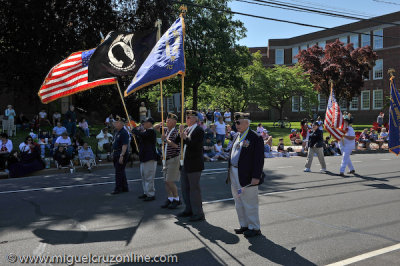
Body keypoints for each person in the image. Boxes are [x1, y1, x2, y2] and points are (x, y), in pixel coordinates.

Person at [227, 112, 264, 237]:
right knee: (238, 201)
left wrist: (256, 176)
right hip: (234, 172)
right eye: (235, 122)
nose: (236, 125)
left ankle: (254, 227)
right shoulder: (237, 135)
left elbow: (259, 160)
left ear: (247, 122)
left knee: (250, 202)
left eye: (238, 122)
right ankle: (244, 225)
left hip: (247, 175)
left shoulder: (255, 137)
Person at [177, 110, 205, 222]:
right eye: (187, 117)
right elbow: (179, 142)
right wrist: (180, 134)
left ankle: (198, 213)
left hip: (194, 164)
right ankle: (189, 209)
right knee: (185, 189)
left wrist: (184, 137)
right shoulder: (187, 129)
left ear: (196, 119)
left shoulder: (199, 130)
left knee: (194, 189)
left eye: (190, 117)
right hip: (185, 163)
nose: (187, 119)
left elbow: (195, 146)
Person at [154, 113, 181, 209]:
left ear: (174, 122)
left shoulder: (176, 132)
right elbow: (155, 128)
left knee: (169, 181)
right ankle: (170, 198)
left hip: (173, 158)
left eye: (169, 120)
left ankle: (177, 199)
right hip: (165, 159)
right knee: (166, 181)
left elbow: (176, 145)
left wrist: (166, 140)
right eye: (167, 119)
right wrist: (160, 124)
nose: (167, 121)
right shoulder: (165, 130)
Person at [133, 117, 157, 201]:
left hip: (149, 157)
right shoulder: (146, 132)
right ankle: (146, 192)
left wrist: (135, 131)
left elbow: (143, 135)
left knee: (149, 177)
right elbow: (140, 138)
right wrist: (135, 134)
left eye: (145, 122)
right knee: (143, 176)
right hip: (144, 157)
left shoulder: (151, 132)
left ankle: (151, 194)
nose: (143, 124)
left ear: (150, 123)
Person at [111, 118, 130, 194]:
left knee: (118, 172)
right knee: (121, 171)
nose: (115, 124)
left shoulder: (123, 133)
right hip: (116, 153)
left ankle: (118, 188)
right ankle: (125, 187)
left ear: (121, 124)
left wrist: (122, 155)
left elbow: (124, 145)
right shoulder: (117, 132)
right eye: (115, 123)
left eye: (117, 123)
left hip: (121, 153)